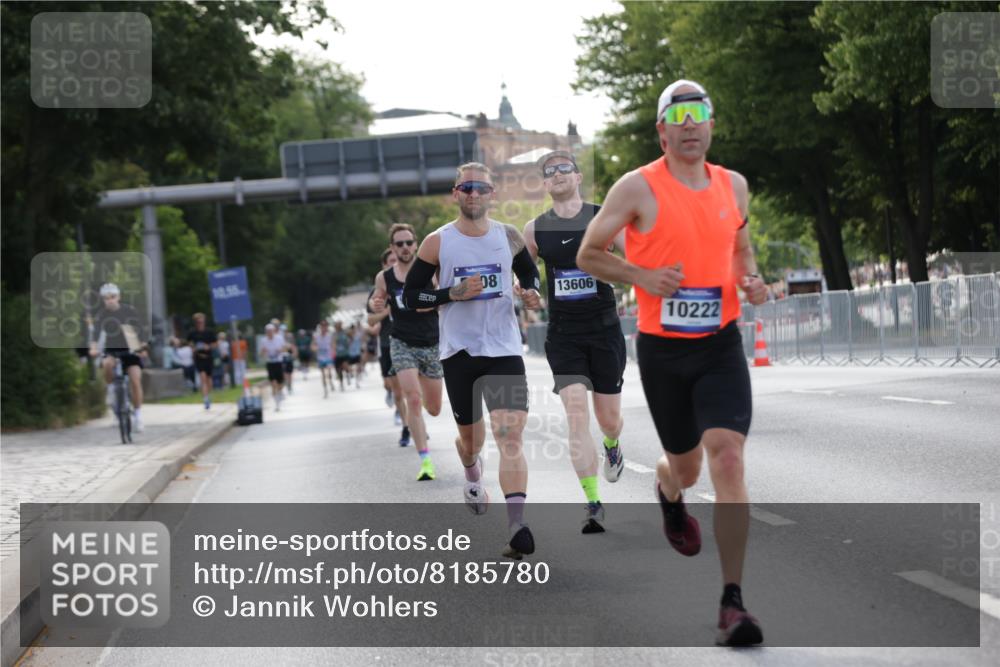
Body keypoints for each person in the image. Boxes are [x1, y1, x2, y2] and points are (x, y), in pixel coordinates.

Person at [576, 80, 769, 646]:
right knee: (684, 468)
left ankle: (733, 603)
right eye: (678, 115)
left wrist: (751, 280)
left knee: (728, 457)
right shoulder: (636, 188)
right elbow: (590, 253)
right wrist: (641, 278)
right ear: (661, 130)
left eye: (699, 112)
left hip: (719, 344)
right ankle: (668, 488)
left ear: (711, 123)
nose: (690, 124)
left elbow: (740, 248)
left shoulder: (734, 185)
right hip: (664, 349)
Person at [402, 162, 542, 559]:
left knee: (510, 434)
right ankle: (470, 468)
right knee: (472, 442)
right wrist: (451, 293)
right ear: (455, 193)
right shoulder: (437, 242)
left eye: (481, 188)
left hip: (503, 350)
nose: (474, 194)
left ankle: (517, 525)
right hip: (459, 354)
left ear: (492, 193)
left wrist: (530, 292)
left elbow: (531, 277)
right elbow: (412, 297)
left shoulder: (508, 236)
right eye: (467, 188)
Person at [523, 150, 627, 534]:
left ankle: (613, 445)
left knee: (608, 419)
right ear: (545, 184)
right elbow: (526, 273)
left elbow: (635, 262)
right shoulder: (535, 229)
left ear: (578, 176)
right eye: (549, 172)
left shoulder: (606, 217)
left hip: (604, 330)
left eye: (564, 167)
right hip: (564, 334)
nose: (557, 174)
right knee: (576, 414)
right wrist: (527, 290)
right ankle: (592, 502)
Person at [370, 223, 444, 480]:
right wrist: (376, 302)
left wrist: (430, 302)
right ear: (392, 248)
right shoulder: (385, 277)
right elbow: (376, 299)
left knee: (433, 408)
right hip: (401, 342)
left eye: (408, 242)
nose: (404, 247)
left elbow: (442, 299)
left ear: (416, 244)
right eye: (399, 244)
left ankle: (422, 405)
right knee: (412, 398)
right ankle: (425, 460)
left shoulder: (430, 272)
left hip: (432, 343)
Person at [89, 282, 148, 433]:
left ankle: (139, 415)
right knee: (107, 364)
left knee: (135, 379)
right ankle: (111, 390)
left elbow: (140, 330)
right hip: (112, 348)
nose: (110, 300)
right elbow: (96, 333)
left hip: (131, 347)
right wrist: (94, 347)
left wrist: (142, 347)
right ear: (103, 299)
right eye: (107, 298)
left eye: (113, 296)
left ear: (119, 296)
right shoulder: (102, 314)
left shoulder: (129, 311)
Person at [368, 249, 409, 441]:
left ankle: (412, 424)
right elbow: (370, 320)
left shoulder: (409, 283)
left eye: (396, 260)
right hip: (387, 343)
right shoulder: (379, 292)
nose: (395, 263)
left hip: (410, 341)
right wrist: (387, 310)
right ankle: (406, 424)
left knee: (412, 391)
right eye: (391, 261)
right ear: (384, 265)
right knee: (396, 390)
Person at [187, 313, 217, 410]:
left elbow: (215, 343)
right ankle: (205, 399)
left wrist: (208, 346)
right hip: (199, 358)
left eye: (201, 321)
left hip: (208, 357)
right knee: (202, 377)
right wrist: (193, 347)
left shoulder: (209, 332)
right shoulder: (192, 333)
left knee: (209, 379)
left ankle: (209, 394)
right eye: (198, 322)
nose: (200, 323)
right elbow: (189, 342)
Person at [259, 323, 288, 411]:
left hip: (278, 362)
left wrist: (280, 350)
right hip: (270, 363)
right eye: (268, 331)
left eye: (271, 331)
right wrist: (264, 352)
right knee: (273, 383)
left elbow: (285, 349)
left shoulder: (279, 338)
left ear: (274, 331)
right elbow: (261, 354)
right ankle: (277, 403)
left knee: (281, 382)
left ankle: (280, 392)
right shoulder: (263, 340)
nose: (269, 333)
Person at [313, 319, 335, 398]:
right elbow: (313, 345)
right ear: (320, 327)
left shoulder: (329, 335)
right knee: (323, 374)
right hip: (320, 357)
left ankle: (331, 381)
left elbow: (333, 345)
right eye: (322, 326)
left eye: (325, 326)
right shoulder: (316, 336)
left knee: (328, 372)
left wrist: (333, 352)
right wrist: (315, 348)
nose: (324, 328)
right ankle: (325, 390)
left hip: (328, 356)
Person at [333, 321, 351, 391]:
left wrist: (349, 343)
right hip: (338, 354)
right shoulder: (334, 334)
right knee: (339, 370)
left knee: (345, 365)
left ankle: (348, 374)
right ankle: (341, 383)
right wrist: (334, 347)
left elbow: (350, 338)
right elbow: (333, 343)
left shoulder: (345, 333)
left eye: (339, 325)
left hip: (345, 353)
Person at [280, 324, 296, 394]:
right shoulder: (279, 337)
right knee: (284, 372)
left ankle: (289, 385)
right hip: (282, 356)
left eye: (285, 330)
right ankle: (286, 384)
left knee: (289, 372)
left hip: (289, 356)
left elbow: (293, 346)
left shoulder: (290, 336)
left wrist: (294, 353)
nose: (284, 332)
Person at [347, 323, 363, 388]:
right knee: (349, 368)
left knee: (358, 368)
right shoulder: (348, 337)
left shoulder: (358, 335)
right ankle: (349, 375)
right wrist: (350, 338)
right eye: (352, 329)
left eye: (354, 329)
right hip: (350, 354)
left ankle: (357, 382)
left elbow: (362, 340)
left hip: (357, 353)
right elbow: (347, 344)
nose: (353, 330)